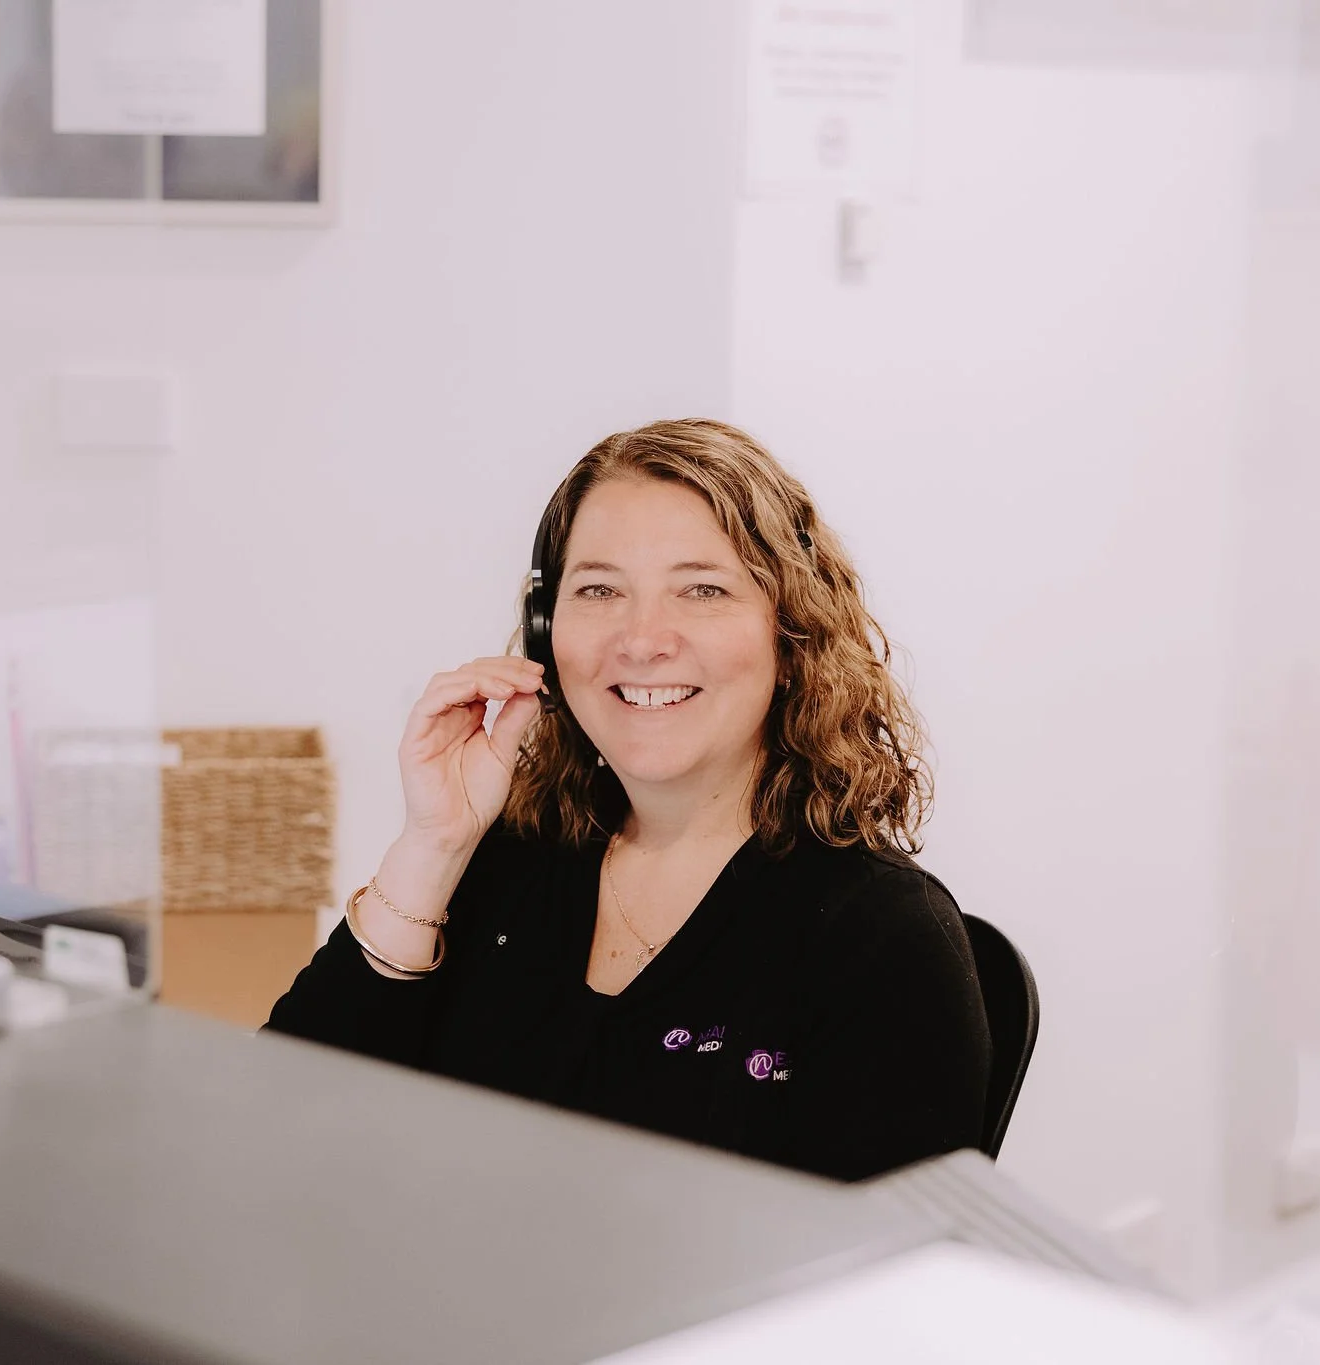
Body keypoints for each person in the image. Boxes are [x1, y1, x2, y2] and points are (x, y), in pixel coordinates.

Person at [266, 419, 990, 1182]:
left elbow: (875, 1286)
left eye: (702, 589)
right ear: (547, 635)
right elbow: (278, 1131)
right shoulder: (509, 865)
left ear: (791, 634)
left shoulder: (879, 937)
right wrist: (432, 847)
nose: (643, 640)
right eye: (600, 589)